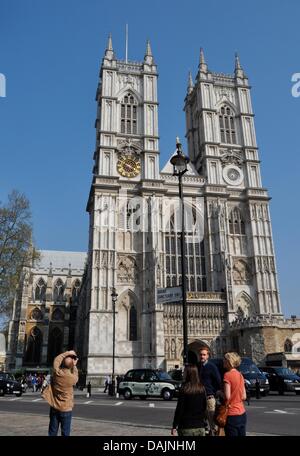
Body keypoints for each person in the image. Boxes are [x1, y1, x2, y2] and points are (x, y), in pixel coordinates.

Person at [42, 350, 78, 436]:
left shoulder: (57, 373)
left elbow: (57, 360)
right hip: (66, 409)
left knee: (52, 432)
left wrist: (68, 353)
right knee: (65, 433)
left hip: (55, 407)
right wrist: (74, 365)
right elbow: (76, 374)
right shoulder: (72, 378)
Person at [171, 364, 207, 437]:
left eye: (184, 372)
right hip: (200, 426)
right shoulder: (201, 388)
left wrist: (174, 426)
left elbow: (179, 409)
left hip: (186, 426)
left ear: (188, 374)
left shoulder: (184, 389)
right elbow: (204, 407)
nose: (183, 373)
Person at [198, 347, 222, 435]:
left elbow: (218, 381)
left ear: (208, 356)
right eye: (200, 354)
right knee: (202, 422)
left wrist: (216, 392)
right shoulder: (198, 366)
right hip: (200, 397)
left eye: (204, 355)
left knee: (212, 422)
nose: (202, 356)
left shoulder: (211, 366)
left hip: (209, 397)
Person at [223, 352, 247, 436]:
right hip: (242, 413)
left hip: (231, 413)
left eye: (225, 360)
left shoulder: (227, 375)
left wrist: (219, 393)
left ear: (229, 362)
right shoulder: (240, 375)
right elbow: (244, 396)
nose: (223, 361)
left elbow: (227, 396)